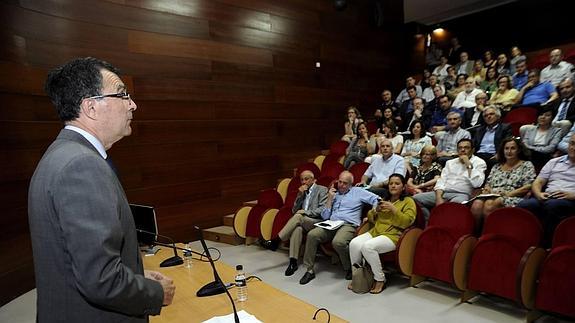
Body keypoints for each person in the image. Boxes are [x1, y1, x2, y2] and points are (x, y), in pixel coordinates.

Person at [28, 57, 174, 322]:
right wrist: (154, 292)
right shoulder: (81, 166)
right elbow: (100, 279)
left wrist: (136, 276)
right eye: (122, 95)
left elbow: (81, 261)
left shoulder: (62, 154)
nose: (133, 104)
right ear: (91, 107)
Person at [299, 171, 380, 285]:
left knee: (338, 242)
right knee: (312, 235)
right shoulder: (334, 194)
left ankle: (349, 268)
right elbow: (325, 216)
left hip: (348, 224)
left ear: (351, 184)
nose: (341, 185)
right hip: (331, 223)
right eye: (340, 182)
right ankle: (309, 270)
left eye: (345, 183)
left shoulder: (358, 192)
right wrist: (329, 199)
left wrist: (371, 215)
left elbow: (377, 199)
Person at [348, 174, 416, 294]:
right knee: (354, 243)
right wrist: (375, 211)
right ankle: (358, 276)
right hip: (376, 232)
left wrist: (394, 210)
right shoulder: (384, 200)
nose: (393, 186)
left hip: (393, 236)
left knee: (368, 246)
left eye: (397, 183)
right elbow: (371, 218)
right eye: (391, 183)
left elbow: (407, 222)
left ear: (403, 186)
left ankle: (380, 279)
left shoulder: (408, 201)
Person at [260, 171, 328, 276]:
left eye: (306, 179)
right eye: (302, 180)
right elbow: (294, 210)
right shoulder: (302, 191)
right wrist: (300, 195)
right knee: (297, 229)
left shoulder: (322, 189)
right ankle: (293, 262)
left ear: (312, 179)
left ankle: (276, 241)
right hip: (302, 221)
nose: (303, 182)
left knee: (298, 217)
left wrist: (305, 212)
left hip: (316, 221)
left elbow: (322, 210)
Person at [517, 133, 575, 247]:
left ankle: (545, 245)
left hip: (570, 199)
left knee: (552, 206)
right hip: (547, 196)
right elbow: (538, 182)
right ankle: (523, 241)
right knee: (525, 205)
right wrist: (538, 193)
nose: (573, 147)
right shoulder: (554, 162)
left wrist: (571, 195)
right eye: (572, 143)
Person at [413, 138, 487, 221]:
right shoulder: (450, 163)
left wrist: (468, 165)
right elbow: (441, 181)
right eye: (460, 148)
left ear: (472, 150)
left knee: (452, 207)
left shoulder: (479, 162)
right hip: (443, 192)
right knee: (415, 199)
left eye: (466, 148)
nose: (462, 150)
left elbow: (477, 183)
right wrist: (438, 197)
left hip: (461, 194)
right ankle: (429, 221)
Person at [470, 137, 535, 223]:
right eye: (506, 148)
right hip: (493, 195)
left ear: (519, 150)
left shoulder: (527, 165)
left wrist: (507, 194)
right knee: (476, 204)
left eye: (513, 148)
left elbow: (528, 186)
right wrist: (487, 189)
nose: (509, 151)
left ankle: (490, 233)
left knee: (490, 204)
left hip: (513, 196)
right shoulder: (496, 166)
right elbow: (488, 183)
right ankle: (475, 234)